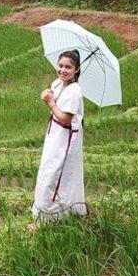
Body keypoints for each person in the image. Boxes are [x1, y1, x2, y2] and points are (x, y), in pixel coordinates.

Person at [31, 50, 87, 224]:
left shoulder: (75, 91)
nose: (63, 70)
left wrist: (50, 102)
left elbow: (64, 118)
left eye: (68, 67)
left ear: (76, 70)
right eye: (61, 66)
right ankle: (44, 211)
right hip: (54, 136)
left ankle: (50, 218)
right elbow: (55, 106)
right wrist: (50, 95)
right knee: (47, 170)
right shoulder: (57, 83)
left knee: (56, 175)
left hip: (65, 139)